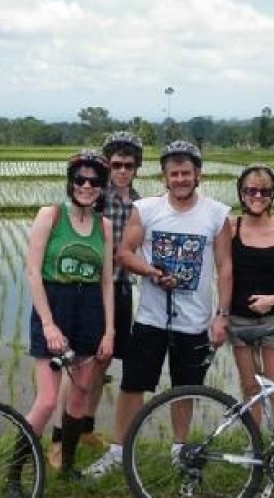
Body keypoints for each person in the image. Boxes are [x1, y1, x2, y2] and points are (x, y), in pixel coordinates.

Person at [84, 139, 232, 478]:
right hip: (151, 317)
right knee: (133, 384)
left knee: (185, 387)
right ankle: (119, 450)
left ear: (198, 175)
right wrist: (150, 271)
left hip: (194, 320)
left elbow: (225, 267)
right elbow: (125, 252)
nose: (180, 179)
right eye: (173, 173)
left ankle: (179, 449)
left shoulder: (218, 214)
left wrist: (222, 316)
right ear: (164, 177)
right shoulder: (147, 209)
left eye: (186, 173)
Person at [10, 150, 115, 490]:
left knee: (81, 393)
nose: (87, 186)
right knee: (47, 400)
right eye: (81, 179)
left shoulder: (105, 225)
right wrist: (48, 324)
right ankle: (14, 476)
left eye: (95, 181)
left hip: (90, 313)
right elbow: (33, 272)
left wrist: (109, 331)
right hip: (55, 306)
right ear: (71, 182)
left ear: (101, 187)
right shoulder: (50, 215)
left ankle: (67, 465)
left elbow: (106, 282)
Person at [46, 132, 143, 469]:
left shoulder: (139, 203)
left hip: (120, 289)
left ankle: (84, 428)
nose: (122, 171)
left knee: (101, 364)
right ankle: (59, 439)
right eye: (116, 164)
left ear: (137, 168)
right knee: (76, 367)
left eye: (129, 165)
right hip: (88, 291)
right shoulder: (94, 198)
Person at [228, 164, 274, 432]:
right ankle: (255, 450)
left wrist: (272, 299)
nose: (257, 196)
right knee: (250, 387)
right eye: (250, 190)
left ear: (273, 194)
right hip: (239, 318)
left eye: (264, 191)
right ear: (241, 193)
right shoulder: (230, 228)